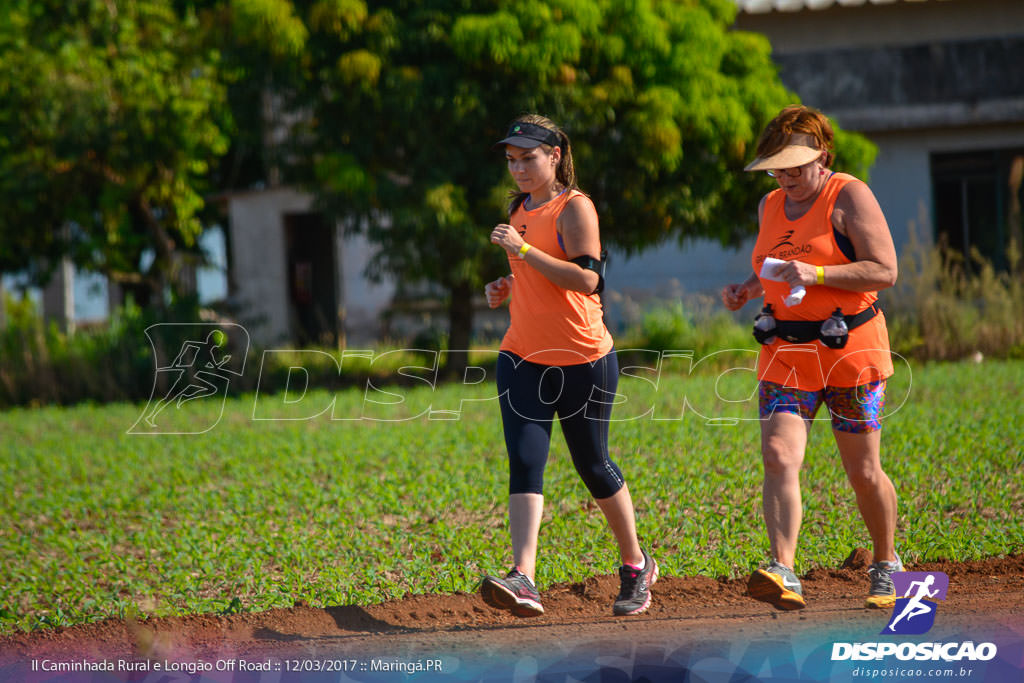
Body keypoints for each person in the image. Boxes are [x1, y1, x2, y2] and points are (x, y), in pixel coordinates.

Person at [721, 105, 901, 610]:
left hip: (850, 351)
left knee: (863, 473)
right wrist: (748, 287)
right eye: (777, 169)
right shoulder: (770, 204)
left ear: (821, 156)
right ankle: (783, 569)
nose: (785, 178)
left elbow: (884, 270)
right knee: (778, 456)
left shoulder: (849, 195)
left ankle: (885, 561)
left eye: (795, 167)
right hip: (786, 350)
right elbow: (776, 264)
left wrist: (818, 276)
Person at [479, 114, 657, 617]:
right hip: (522, 355)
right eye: (511, 160)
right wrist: (506, 284)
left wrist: (524, 249)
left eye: (528, 158)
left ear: (555, 156)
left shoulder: (575, 207)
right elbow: (533, 277)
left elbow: (587, 282)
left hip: (583, 357)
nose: (517, 168)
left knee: (592, 465)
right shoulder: (517, 209)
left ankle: (635, 563)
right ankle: (525, 577)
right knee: (526, 461)